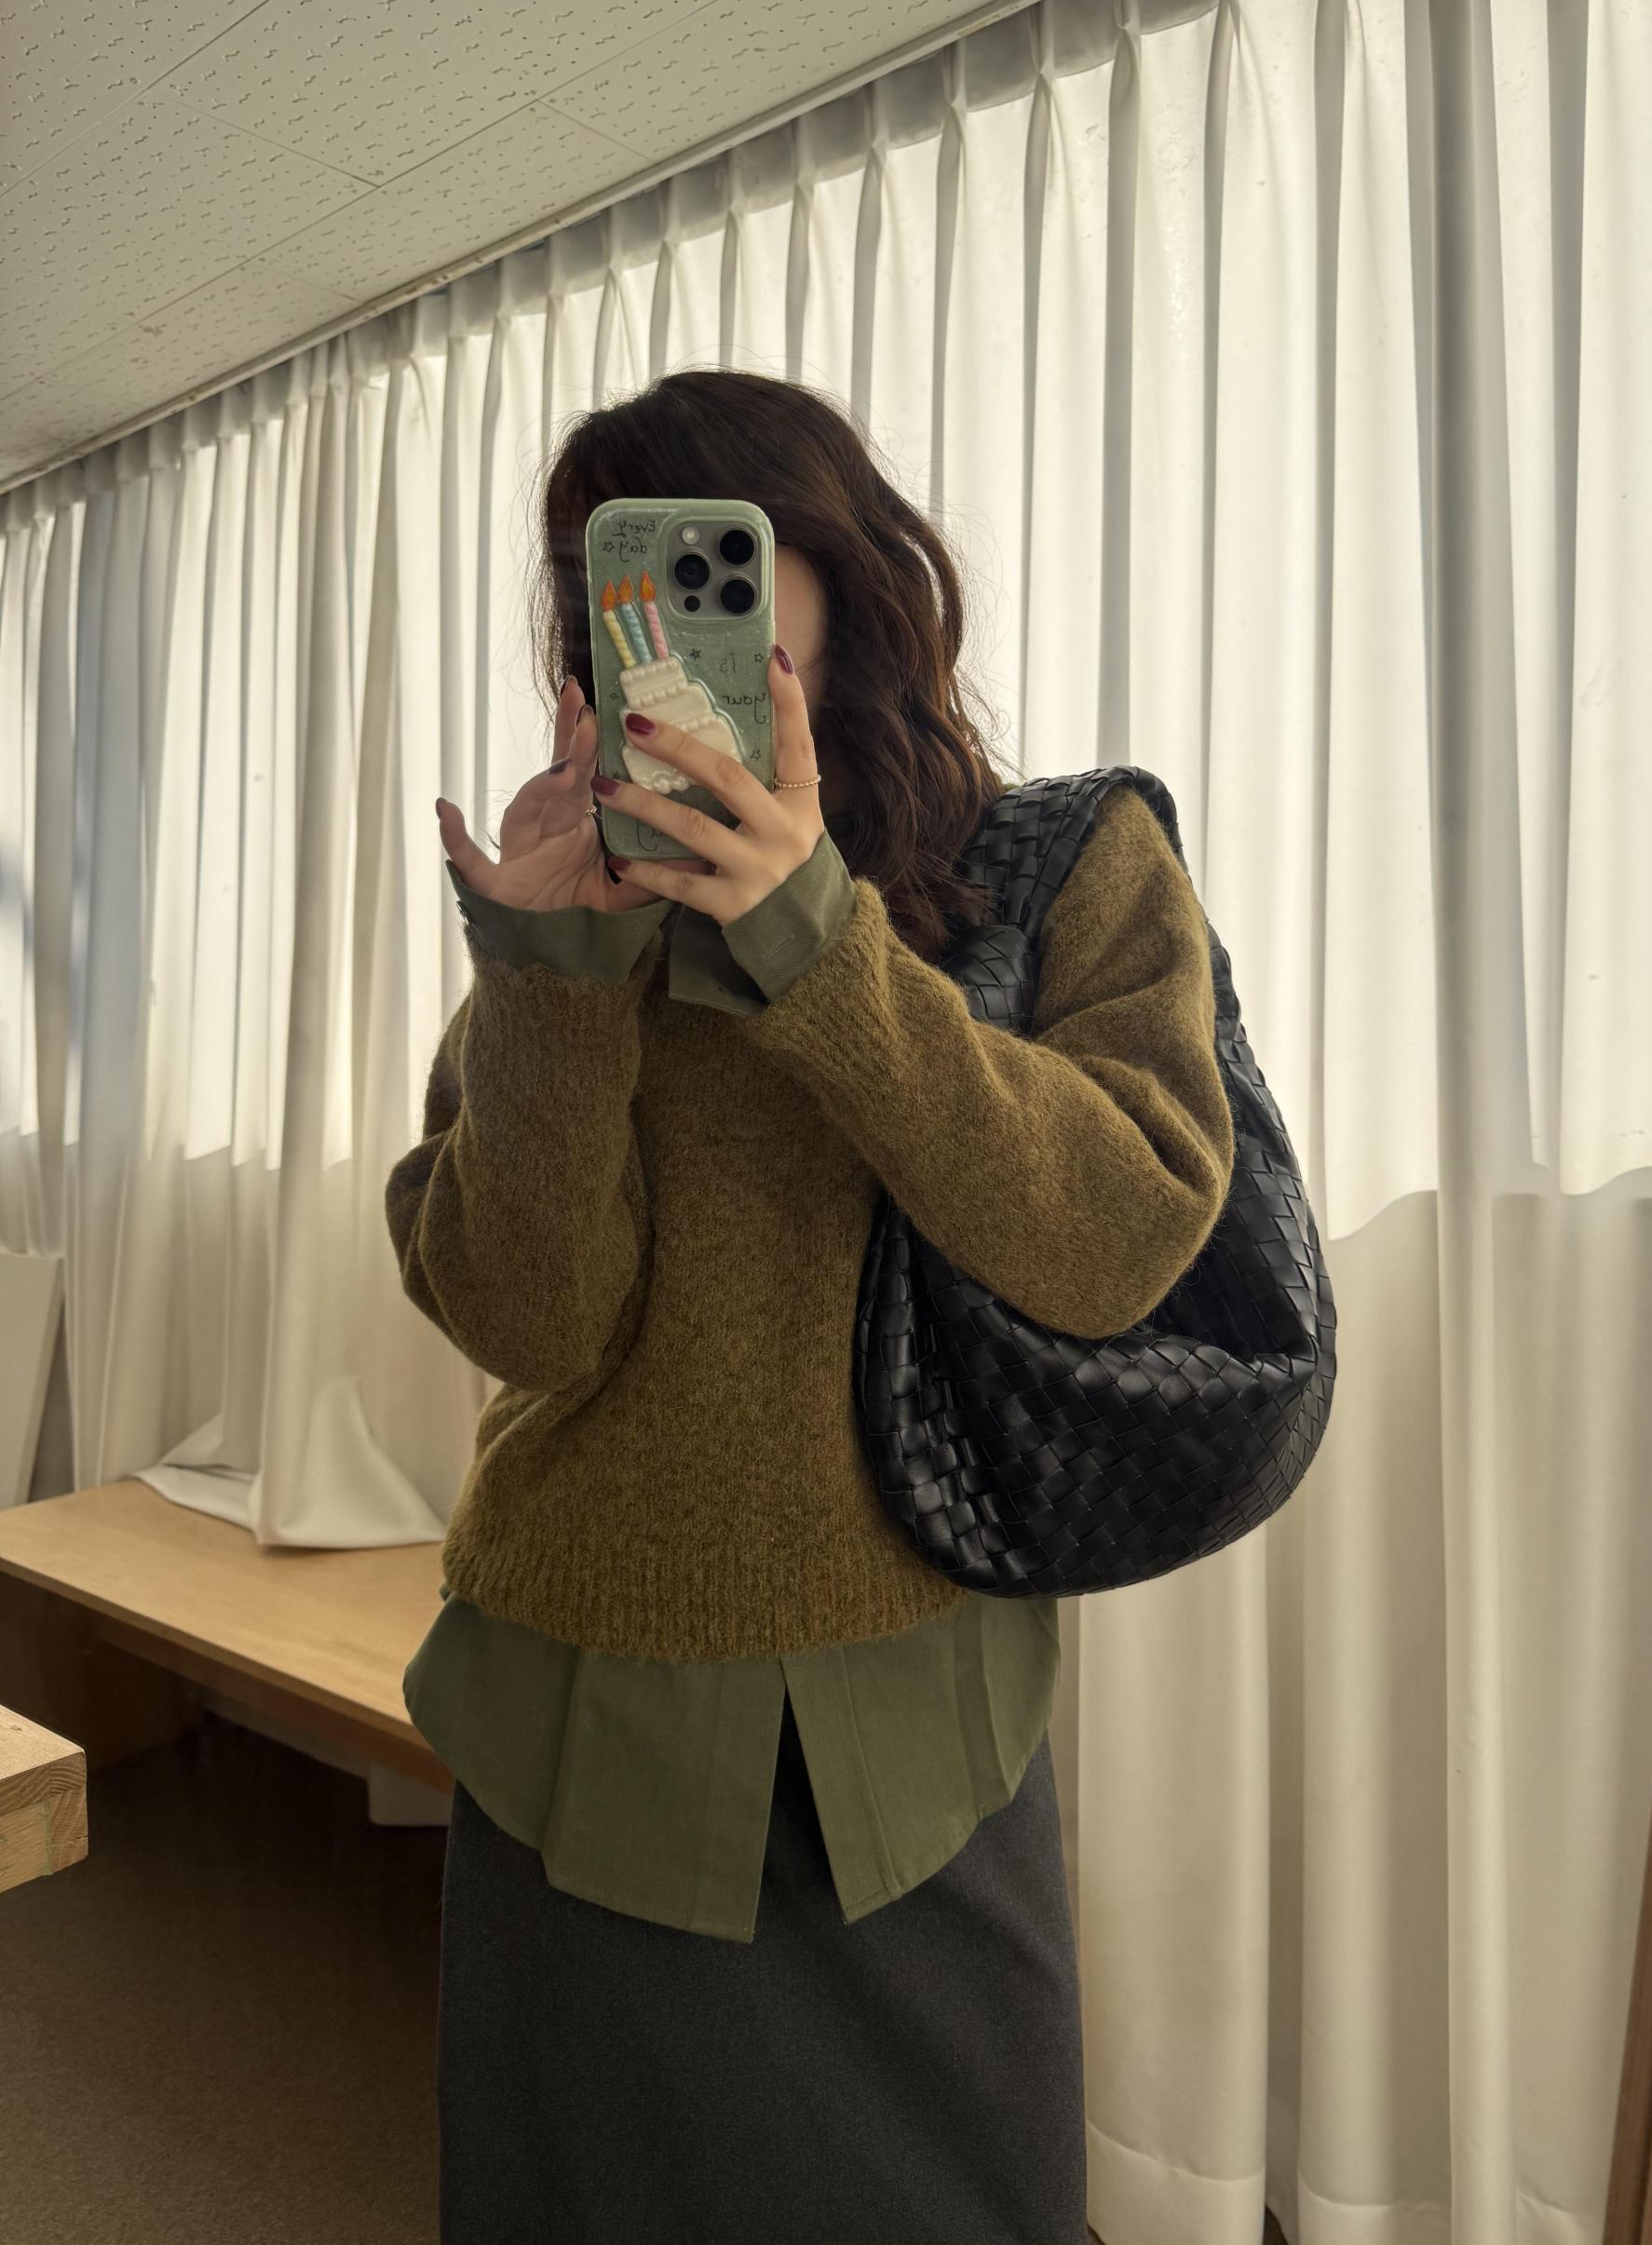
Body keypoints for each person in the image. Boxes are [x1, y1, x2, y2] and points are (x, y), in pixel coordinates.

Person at [384, 367, 1237, 2245]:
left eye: (718, 551)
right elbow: (528, 1318)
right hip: (578, 1718)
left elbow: (1117, 1237)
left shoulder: (1066, 864)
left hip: (915, 1736)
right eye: (608, 569)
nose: (663, 606)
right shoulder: (587, 905)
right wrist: (549, 974)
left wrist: (813, 939)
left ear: (844, 564)